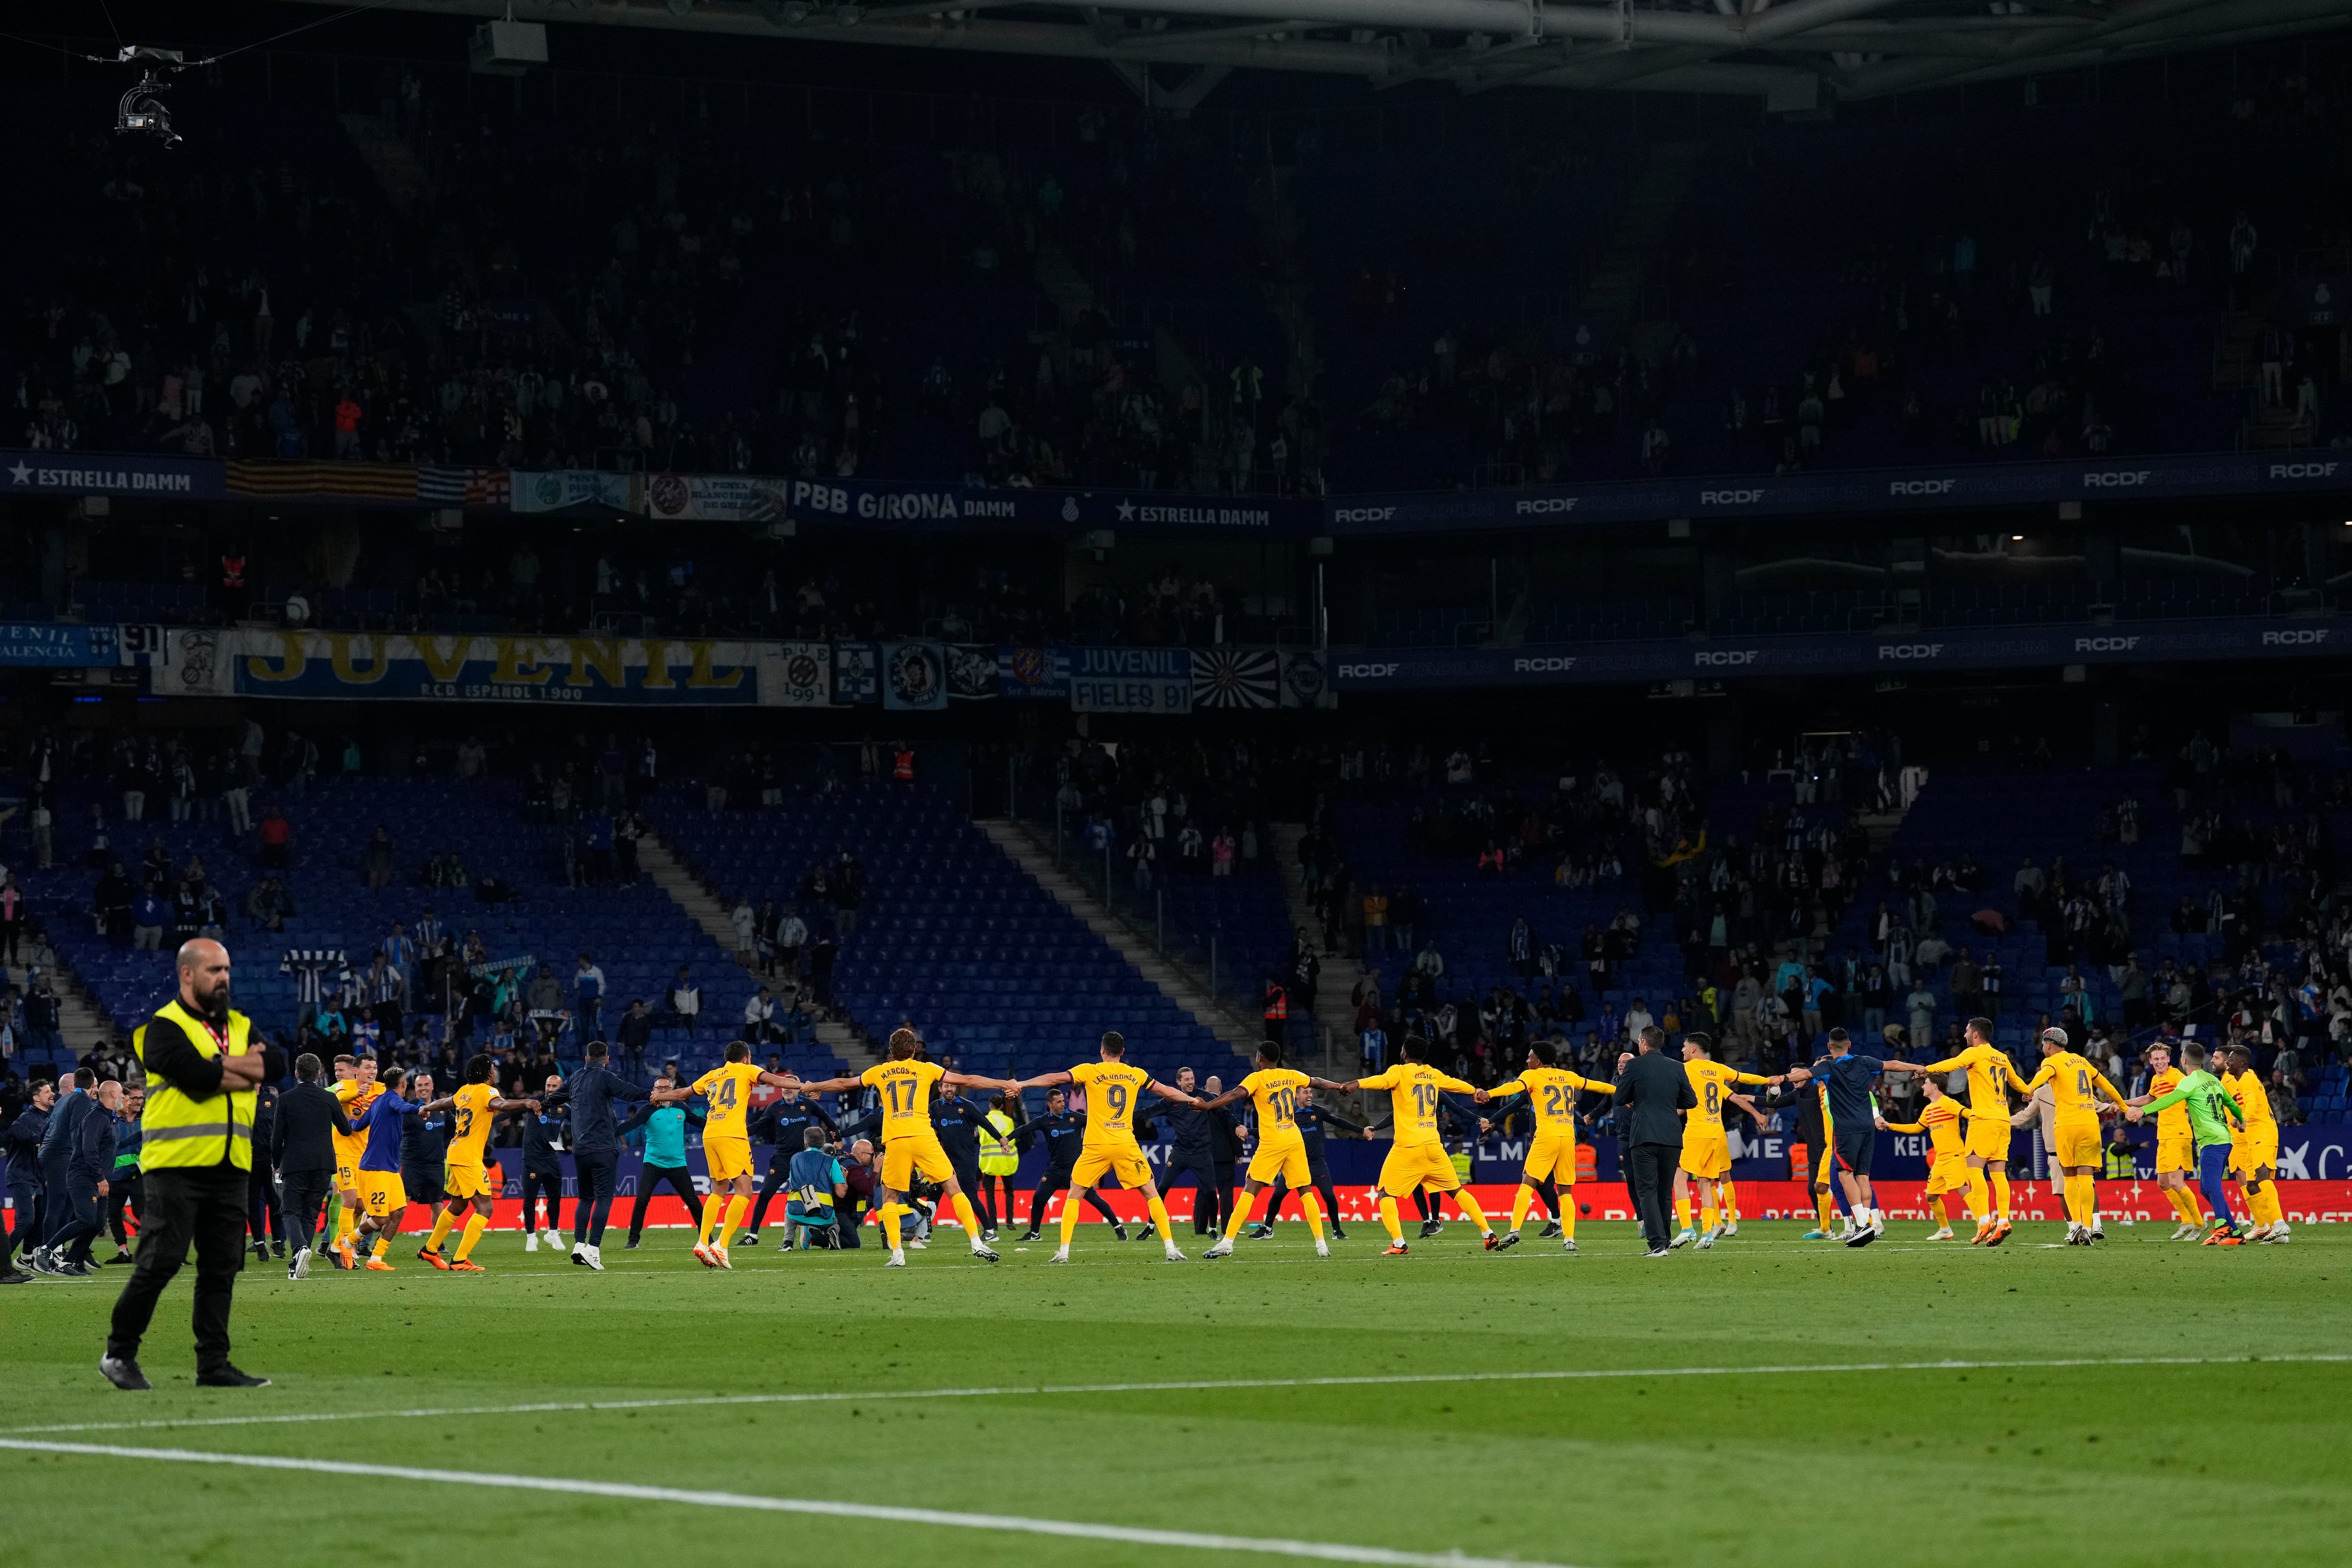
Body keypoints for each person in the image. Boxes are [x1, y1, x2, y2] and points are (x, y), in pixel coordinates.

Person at [103, 937, 276, 1391]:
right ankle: (119, 1354)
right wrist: (240, 1069)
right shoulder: (161, 1027)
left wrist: (219, 1064)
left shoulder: (238, 1023)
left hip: (230, 1164)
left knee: (221, 1268)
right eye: (214, 970)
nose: (224, 978)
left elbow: (274, 1064)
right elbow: (197, 1079)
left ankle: (213, 1366)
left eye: (227, 970)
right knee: (161, 1261)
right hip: (175, 1165)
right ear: (187, 975)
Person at [791, 1029, 1011, 1267]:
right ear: (914, 1050)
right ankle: (977, 1242)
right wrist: (1003, 1084)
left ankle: (897, 1255)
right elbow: (968, 1080)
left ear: (891, 1051)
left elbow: (845, 1083)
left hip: (896, 1141)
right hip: (924, 1138)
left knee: (889, 1197)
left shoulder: (880, 1071)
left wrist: (813, 1086)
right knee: (953, 1188)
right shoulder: (927, 1068)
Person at [1016, 1031, 1193, 1264]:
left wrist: (1023, 1083)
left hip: (1095, 1146)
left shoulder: (1090, 1070)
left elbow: (1053, 1079)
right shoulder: (1136, 1074)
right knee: (1151, 1193)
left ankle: (1064, 1252)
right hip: (1125, 1144)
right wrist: (1193, 1100)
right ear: (1122, 1052)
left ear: (1102, 1051)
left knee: (1074, 1195)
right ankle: (1171, 1248)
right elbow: (1167, 1092)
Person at [1313, 1036, 1495, 1256]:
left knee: (1385, 1194)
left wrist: (1356, 1084)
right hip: (1434, 1146)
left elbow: (1380, 1081)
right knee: (1457, 1191)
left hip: (1408, 1147)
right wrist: (1475, 1091)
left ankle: (1399, 1243)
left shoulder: (1399, 1071)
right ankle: (1488, 1233)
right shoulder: (1433, 1074)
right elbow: (1455, 1084)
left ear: (1405, 1054)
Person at [650, 1041, 798, 1268]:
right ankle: (722, 1244)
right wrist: (804, 1086)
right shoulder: (747, 1070)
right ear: (747, 1057)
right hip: (732, 1134)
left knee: (719, 1189)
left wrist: (660, 1097)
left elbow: (682, 1093)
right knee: (745, 1190)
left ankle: (702, 1242)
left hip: (710, 1134)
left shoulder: (712, 1075)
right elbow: (777, 1081)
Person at [1190, 1041, 1330, 1260]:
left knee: (1250, 1189)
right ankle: (1321, 1244)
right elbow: (1318, 1082)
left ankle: (1227, 1243)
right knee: (1305, 1190)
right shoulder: (1291, 1075)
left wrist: (1208, 1106)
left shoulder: (1258, 1078)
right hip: (1294, 1138)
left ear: (1259, 1058)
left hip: (1273, 1141)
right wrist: (1340, 1086)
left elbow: (1236, 1094)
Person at [1909, 1016, 2031, 1245]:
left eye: (1967, 1031)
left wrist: (1925, 1070)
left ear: (1976, 1034)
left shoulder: (1976, 1053)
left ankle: (1985, 1220)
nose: (1964, 1035)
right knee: (1999, 1174)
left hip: (1983, 1118)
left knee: (1974, 1170)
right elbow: (2017, 1083)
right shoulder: (2002, 1057)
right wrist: (2028, 1092)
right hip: (2003, 1119)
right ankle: (2004, 1220)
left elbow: (1951, 1064)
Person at [1481, 1041, 1610, 1253]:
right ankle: (1569, 1239)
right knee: (1565, 1191)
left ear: (1538, 1061)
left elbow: (1512, 1088)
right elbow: (1598, 1085)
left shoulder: (1532, 1075)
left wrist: (1489, 1094)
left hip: (1546, 1136)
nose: (1527, 1060)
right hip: (1568, 1137)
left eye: (1530, 1057)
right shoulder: (1568, 1076)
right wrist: (1623, 1090)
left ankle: (1515, 1230)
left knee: (1527, 1182)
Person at [538, 1041, 652, 1270]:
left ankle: (579, 1245)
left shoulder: (575, 1078)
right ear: (607, 1059)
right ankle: (594, 1249)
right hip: (603, 1148)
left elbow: (555, 1098)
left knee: (585, 1198)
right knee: (603, 1199)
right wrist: (653, 1095)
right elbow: (630, 1092)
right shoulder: (606, 1077)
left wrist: (538, 1106)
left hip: (580, 1150)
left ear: (586, 1058)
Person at [413, 1054, 532, 1271]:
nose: (495, 1072)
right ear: (487, 1072)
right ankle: (459, 1260)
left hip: (456, 1152)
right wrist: (525, 1101)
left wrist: (427, 1107)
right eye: (493, 1068)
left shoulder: (464, 1091)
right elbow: (501, 1104)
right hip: (468, 1157)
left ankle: (430, 1250)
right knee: (485, 1208)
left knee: (458, 1204)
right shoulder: (487, 1091)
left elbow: (444, 1102)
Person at [2013, 1025, 2127, 1245]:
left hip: (2067, 1126)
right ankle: (2088, 1226)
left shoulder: (2051, 1062)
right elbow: (2107, 1085)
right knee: (2087, 1179)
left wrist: (2029, 1089)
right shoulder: (2083, 1062)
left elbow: (2042, 1076)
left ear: (2048, 1045)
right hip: (2090, 1123)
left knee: (2070, 1180)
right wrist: (2122, 1105)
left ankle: (2077, 1228)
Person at [2125, 1041, 2245, 1244]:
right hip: (2222, 1138)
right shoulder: (2213, 1080)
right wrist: (2240, 1120)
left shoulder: (2188, 1081)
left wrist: (2142, 1111)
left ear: (2184, 1060)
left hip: (2211, 1139)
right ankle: (2235, 1233)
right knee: (2204, 1187)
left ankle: (2222, 1226)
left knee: (2211, 1185)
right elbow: (2232, 1103)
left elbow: (2170, 1099)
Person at [1670, 1033, 1781, 1249]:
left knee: (1679, 1179)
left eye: (1684, 1046)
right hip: (1717, 1133)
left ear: (1694, 1049)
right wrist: (1769, 1080)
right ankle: (1707, 1234)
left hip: (1697, 1132)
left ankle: (1686, 1229)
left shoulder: (1687, 1069)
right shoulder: (1718, 1070)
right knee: (1706, 1183)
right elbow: (1745, 1078)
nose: (1682, 1050)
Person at [1608, 1026, 1693, 1257]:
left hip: (1644, 1135)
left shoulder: (1635, 1065)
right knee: (1665, 1192)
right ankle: (1664, 1241)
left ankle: (1656, 1245)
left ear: (1644, 1043)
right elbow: (1691, 1101)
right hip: (1672, 1137)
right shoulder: (1677, 1067)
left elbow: (1619, 1097)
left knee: (1646, 1190)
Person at [1877, 1072, 1992, 1239]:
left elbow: (1968, 1113)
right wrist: (1890, 1126)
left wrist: (1981, 1119)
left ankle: (1983, 1224)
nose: (1923, 1086)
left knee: (1962, 1189)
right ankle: (1945, 1230)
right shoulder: (1929, 1109)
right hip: (1940, 1159)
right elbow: (1916, 1128)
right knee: (1931, 1196)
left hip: (1955, 1155)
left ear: (1934, 1087)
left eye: (1926, 1083)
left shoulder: (1948, 1103)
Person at [270, 1051, 350, 1278]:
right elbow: (345, 1130)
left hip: (294, 1165)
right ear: (319, 1074)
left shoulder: (286, 1099)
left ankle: (299, 1249)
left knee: (291, 1211)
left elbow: (277, 1138)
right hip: (324, 1164)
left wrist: (276, 1164)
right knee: (310, 1214)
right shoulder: (329, 1098)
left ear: (296, 1073)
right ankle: (297, 1264)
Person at [1014, 1087, 1126, 1243]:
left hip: (1076, 1171)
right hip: (1055, 1170)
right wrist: (1006, 1139)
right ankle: (1034, 1234)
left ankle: (1119, 1228)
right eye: (1059, 1102)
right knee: (1039, 1198)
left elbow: (1097, 1123)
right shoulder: (1044, 1121)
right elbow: (1025, 1129)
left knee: (1095, 1200)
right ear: (1050, 1104)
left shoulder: (1075, 1117)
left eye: (1063, 1101)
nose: (1062, 1104)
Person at [1256, 1084, 1363, 1242]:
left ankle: (1337, 1230)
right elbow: (1270, 1128)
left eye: (1311, 1092)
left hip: (1317, 1163)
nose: (1310, 1095)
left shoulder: (1318, 1112)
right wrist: (1248, 1131)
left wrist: (1362, 1130)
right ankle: (1268, 1228)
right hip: (1295, 1164)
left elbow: (1339, 1122)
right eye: (1306, 1092)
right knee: (1278, 1195)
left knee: (1329, 1196)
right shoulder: (1289, 1114)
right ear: (1297, 1096)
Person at [739, 1086, 838, 1246]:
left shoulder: (808, 1104)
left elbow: (825, 1117)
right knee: (765, 1194)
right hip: (782, 1159)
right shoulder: (774, 1108)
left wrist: (837, 1134)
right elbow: (759, 1125)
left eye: (791, 1088)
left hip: (804, 1160)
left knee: (814, 1194)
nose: (787, 1091)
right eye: (785, 1088)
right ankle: (753, 1234)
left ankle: (817, 1230)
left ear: (798, 1091)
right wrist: (739, 1134)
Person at [618, 1075, 707, 1251]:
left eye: (667, 1088)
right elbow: (630, 1125)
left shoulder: (682, 1107)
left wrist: (723, 1125)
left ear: (673, 1090)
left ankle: (707, 1238)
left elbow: (700, 1122)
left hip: (678, 1164)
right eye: (660, 1088)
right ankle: (633, 1240)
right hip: (653, 1163)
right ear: (654, 1090)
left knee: (693, 1201)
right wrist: (605, 1134)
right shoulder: (648, 1109)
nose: (663, 1091)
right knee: (642, 1200)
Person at [349, 1072, 425, 1271]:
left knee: (398, 1212)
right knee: (380, 1218)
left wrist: (347, 1118)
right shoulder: (392, 1098)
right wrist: (419, 1109)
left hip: (390, 1168)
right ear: (403, 1083)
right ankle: (347, 1243)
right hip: (375, 1168)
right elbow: (403, 1107)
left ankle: (375, 1259)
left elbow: (357, 1126)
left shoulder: (377, 1101)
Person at [2130, 1044, 2205, 1238]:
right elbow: (2149, 1099)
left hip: (2178, 1134)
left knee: (2176, 1182)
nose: (2160, 1062)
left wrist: (2191, 1116)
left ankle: (2199, 1224)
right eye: (2156, 1059)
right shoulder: (2156, 1079)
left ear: (2169, 1059)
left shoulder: (2177, 1077)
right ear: (2151, 1061)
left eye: (2163, 1058)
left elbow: (2192, 1094)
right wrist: (2122, 1104)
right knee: (2163, 1183)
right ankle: (2187, 1221)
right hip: (2163, 1135)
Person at [1153, 1066, 1233, 1236]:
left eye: (1192, 1079)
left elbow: (1227, 1116)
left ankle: (1212, 1229)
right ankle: (1151, 1226)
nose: (1191, 1082)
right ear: (1179, 1082)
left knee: (1211, 1191)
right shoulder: (1172, 1099)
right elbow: (1150, 1112)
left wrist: (1240, 1127)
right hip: (1181, 1152)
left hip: (1203, 1153)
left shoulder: (1206, 1098)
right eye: (1187, 1079)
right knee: (1162, 1188)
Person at [2220, 1043, 2287, 1242]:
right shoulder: (2244, 1080)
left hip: (2262, 1133)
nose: (2227, 1063)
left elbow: (2251, 1103)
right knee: (2251, 1185)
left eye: (2230, 1060)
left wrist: (2243, 1119)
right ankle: (2274, 1231)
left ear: (2240, 1063)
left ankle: (2279, 1224)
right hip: (2253, 1136)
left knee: (2263, 1177)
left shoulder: (2247, 1079)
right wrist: (2238, 1118)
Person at [326, 1053, 383, 1268]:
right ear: (355, 1071)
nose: (372, 1072)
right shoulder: (346, 1087)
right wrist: (354, 1095)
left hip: (364, 1155)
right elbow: (335, 1100)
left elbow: (394, 1097)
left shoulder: (379, 1088)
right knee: (349, 1200)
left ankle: (334, 1248)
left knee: (361, 1206)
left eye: (375, 1068)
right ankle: (346, 1251)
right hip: (342, 1153)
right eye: (368, 1068)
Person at [3, 1080, 55, 1281]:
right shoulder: (28, 1117)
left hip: (37, 1176)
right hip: (21, 1173)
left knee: (39, 1218)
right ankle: (3, 1263)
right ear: (36, 1098)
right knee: (26, 1220)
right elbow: (14, 1129)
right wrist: (37, 1140)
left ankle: (26, 1258)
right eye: (48, 1092)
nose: (52, 1094)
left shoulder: (50, 1117)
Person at [519, 1077, 567, 1251]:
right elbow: (511, 1112)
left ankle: (553, 1233)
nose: (551, 1089)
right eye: (548, 1085)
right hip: (532, 1159)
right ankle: (531, 1237)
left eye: (555, 1086)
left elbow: (580, 1122)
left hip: (551, 1158)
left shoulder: (565, 1107)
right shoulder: (534, 1103)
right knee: (530, 1199)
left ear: (561, 1087)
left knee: (555, 1199)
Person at [781, 1126, 848, 1248]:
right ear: (823, 1143)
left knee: (789, 1202)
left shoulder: (795, 1159)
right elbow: (841, 1193)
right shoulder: (832, 1162)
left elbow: (793, 1185)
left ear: (805, 1143)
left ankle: (788, 1243)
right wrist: (844, 1179)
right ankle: (830, 1231)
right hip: (823, 1215)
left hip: (797, 1213)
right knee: (835, 1224)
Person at [972, 1091, 1020, 1243]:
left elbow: (982, 1139)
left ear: (990, 1105)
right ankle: (1010, 1221)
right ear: (1001, 1106)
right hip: (1007, 1160)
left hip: (990, 1161)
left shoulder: (985, 1120)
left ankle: (993, 1224)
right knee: (1009, 1191)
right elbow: (1012, 1139)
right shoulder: (1009, 1121)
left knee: (990, 1195)